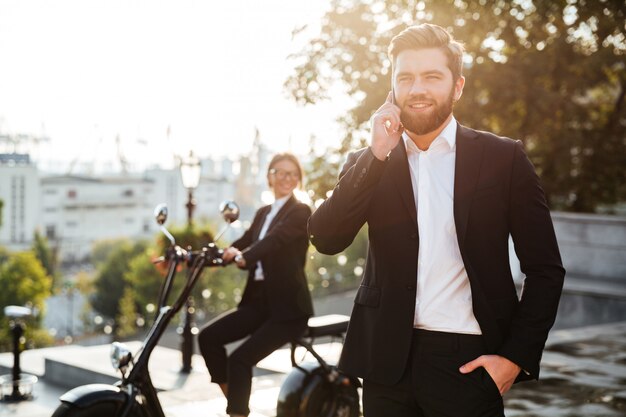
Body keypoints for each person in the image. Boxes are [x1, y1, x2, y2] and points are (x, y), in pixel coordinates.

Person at [308, 23, 565, 417]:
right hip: (384, 366)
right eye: (405, 78)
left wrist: (514, 358)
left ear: (457, 86)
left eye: (432, 76)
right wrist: (375, 156)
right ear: (392, 88)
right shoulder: (370, 161)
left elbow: (545, 269)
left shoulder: (504, 159)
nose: (417, 88)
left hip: (468, 363)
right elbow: (325, 238)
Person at [198, 153, 314, 417]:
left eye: (292, 174)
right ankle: (235, 405)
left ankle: (237, 412)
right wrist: (197, 258)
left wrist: (244, 257)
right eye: (280, 172)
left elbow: (271, 241)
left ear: (298, 179)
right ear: (269, 176)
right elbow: (242, 243)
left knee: (240, 359)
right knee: (208, 338)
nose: (287, 178)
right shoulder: (263, 213)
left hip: (288, 309)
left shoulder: (300, 211)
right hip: (259, 303)